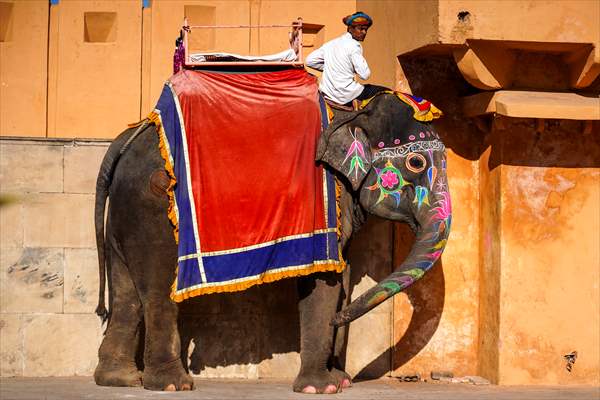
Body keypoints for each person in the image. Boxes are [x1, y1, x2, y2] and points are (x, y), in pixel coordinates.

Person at [305, 12, 389, 106]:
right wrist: (348, 68)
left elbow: (309, 61)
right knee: (386, 92)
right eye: (361, 29)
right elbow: (365, 75)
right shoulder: (354, 45)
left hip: (328, 93)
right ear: (350, 28)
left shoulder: (330, 44)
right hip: (346, 94)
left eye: (366, 30)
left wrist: (334, 68)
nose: (364, 32)